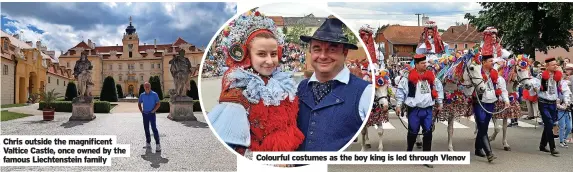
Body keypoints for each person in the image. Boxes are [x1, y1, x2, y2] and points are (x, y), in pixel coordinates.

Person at [207, 9, 304, 158]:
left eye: (273, 54)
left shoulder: (282, 84)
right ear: (247, 56)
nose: (270, 61)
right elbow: (228, 151)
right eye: (261, 54)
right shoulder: (238, 94)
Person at [296, 18, 373, 151]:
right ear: (310, 52)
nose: (323, 56)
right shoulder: (301, 87)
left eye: (332, 50)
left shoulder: (364, 92)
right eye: (317, 49)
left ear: (345, 53)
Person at [395, 54, 443, 168]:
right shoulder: (408, 77)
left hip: (427, 109)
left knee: (428, 133)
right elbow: (401, 91)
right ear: (416, 64)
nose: (425, 65)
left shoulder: (431, 76)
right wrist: (398, 105)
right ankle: (409, 153)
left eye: (425, 63)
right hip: (414, 110)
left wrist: (440, 103)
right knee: (412, 132)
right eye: (422, 63)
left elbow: (438, 89)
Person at [471, 28, 511, 162]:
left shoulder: (496, 76)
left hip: (491, 103)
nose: (492, 64)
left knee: (484, 127)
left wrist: (506, 100)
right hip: (479, 102)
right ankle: (489, 153)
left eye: (492, 62)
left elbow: (502, 88)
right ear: (483, 63)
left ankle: (477, 149)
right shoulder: (477, 74)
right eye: (489, 62)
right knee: (482, 125)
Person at [529, 56, 567, 156]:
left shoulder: (558, 75)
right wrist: (536, 88)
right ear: (547, 66)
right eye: (553, 64)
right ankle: (552, 147)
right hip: (544, 102)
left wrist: (565, 100)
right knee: (550, 124)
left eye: (556, 64)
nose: (555, 66)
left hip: (553, 102)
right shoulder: (541, 75)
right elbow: (534, 86)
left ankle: (542, 145)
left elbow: (561, 88)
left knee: (550, 123)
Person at [138, 82, 161, 152]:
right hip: (145, 114)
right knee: (146, 129)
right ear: (144, 87)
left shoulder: (154, 94)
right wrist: (142, 111)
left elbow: (158, 104)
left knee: (154, 128)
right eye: (146, 87)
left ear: (150, 87)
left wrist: (154, 110)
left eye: (148, 86)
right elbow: (139, 103)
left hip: (152, 114)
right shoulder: (142, 95)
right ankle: (148, 143)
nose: (147, 88)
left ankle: (158, 144)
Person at [557, 66, 572, 148]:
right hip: (560, 110)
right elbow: (556, 99)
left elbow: (568, 95)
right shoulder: (556, 84)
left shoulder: (565, 83)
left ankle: (565, 138)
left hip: (568, 109)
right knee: (562, 126)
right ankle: (561, 141)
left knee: (569, 127)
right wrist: (562, 106)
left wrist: (568, 104)